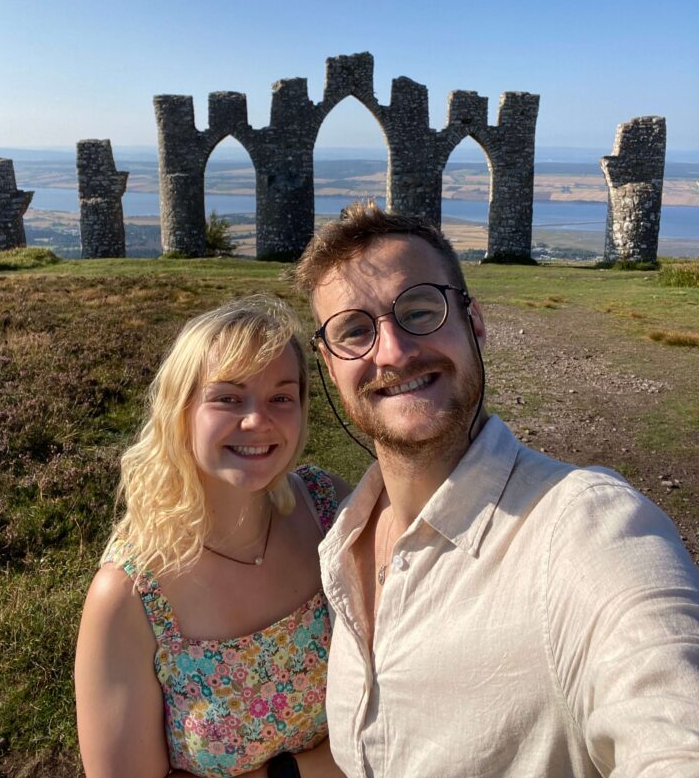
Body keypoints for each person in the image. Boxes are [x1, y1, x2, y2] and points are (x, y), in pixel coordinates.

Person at [293, 201, 699, 778]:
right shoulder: (341, 537)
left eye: (420, 310)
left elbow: (672, 723)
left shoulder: (589, 530)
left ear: (474, 321)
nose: (394, 351)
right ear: (330, 366)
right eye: (354, 330)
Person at [75, 296, 349, 778]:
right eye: (228, 397)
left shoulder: (329, 511)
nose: (257, 420)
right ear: (180, 410)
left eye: (281, 397)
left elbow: (395, 706)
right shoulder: (129, 597)